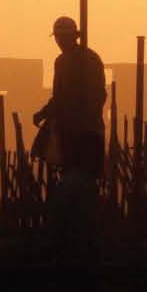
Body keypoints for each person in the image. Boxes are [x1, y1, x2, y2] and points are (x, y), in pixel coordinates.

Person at [35, 15, 105, 258]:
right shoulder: (62, 62)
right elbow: (59, 97)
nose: (60, 42)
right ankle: (74, 240)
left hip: (86, 134)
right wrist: (45, 113)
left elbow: (97, 95)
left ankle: (83, 240)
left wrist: (79, 114)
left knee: (81, 184)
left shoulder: (89, 60)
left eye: (62, 38)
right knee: (73, 182)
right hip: (71, 132)